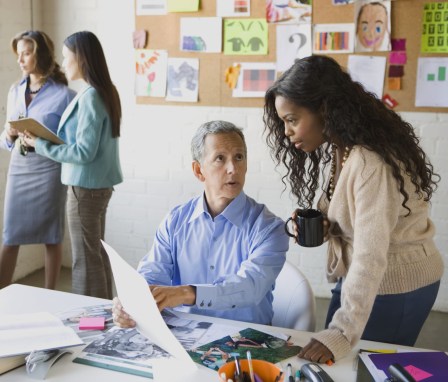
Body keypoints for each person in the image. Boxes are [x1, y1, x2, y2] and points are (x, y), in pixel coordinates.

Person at [263, 55, 443, 362]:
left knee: (361, 367)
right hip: (368, 279)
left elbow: (370, 255)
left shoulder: (369, 162)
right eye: (282, 122)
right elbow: (350, 214)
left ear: (323, 109)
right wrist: (324, 225)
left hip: (395, 284)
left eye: (292, 120)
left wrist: (342, 332)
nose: (286, 132)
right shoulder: (342, 146)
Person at [112, 120, 288, 326]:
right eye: (220, 159)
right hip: (184, 334)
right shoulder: (175, 220)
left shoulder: (270, 228)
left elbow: (250, 287)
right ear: (198, 171)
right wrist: (133, 301)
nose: (233, 168)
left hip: (244, 340)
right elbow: (153, 273)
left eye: (239, 157)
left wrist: (186, 293)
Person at [24, 31, 123, 299]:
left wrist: (39, 144)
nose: (64, 63)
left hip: (84, 188)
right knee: (96, 256)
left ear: (82, 59)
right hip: (99, 186)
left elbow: (83, 153)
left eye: (67, 57)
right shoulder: (106, 91)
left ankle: (89, 320)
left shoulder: (91, 96)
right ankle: (104, 317)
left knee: (85, 261)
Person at [0, 30, 76, 289]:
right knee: (10, 236)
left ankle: (51, 293)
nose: (20, 60)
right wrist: (9, 133)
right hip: (20, 167)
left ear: (40, 54)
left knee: (52, 237)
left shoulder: (64, 94)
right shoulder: (14, 90)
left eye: (26, 53)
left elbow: (70, 139)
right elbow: (4, 138)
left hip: (48, 169)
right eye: (18, 54)